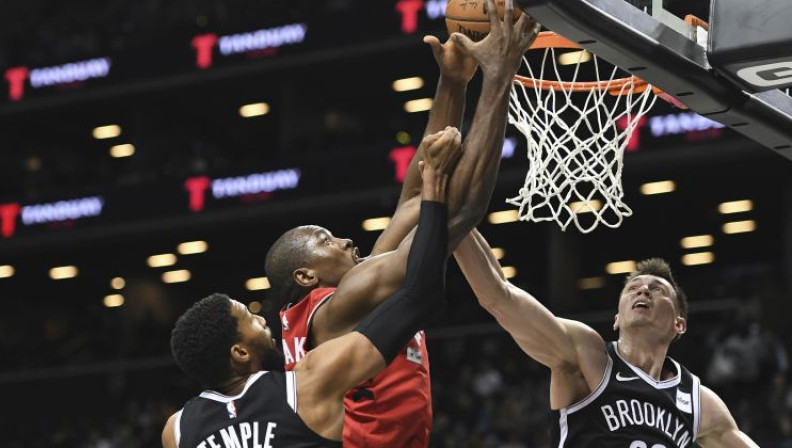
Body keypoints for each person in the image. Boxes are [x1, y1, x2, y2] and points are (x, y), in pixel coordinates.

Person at [265, 1, 541, 446]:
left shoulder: (346, 302)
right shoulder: (341, 305)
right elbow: (462, 208)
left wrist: (453, 83)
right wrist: (499, 74)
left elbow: (415, 200)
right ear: (305, 275)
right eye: (325, 239)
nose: (345, 239)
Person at [161, 124, 460, 448]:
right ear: (240, 352)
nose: (263, 319)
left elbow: (409, 214)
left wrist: (452, 87)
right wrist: (438, 184)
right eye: (251, 318)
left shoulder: (177, 430)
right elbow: (419, 289)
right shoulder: (305, 380)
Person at [453, 229, 760, 447]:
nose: (642, 290)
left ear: (679, 324)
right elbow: (499, 296)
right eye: (633, 288)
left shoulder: (699, 402)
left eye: (657, 289)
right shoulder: (587, 355)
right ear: (617, 319)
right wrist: (456, 217)